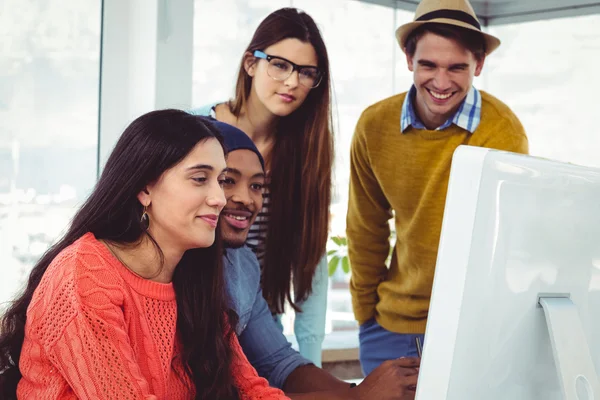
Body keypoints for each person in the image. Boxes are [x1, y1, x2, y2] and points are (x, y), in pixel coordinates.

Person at [0, 110, 288, 400]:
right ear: (144, 188)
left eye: (220, 180)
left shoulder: (193, 278)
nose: (219, 199)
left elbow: (251, 388)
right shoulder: (84, 273)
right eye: (200, 179)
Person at [347, 0, 530, 375]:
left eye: (457, 67)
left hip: (472, 328)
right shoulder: (373, 126)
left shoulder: (502, 132)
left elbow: (506, 243)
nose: (441, 82)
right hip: (390, 327)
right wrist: (366, 317)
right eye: (428, 65)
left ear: (478, 65)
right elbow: (365, 228)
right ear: (408, 58)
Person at [213, 120, 420, 400]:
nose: (247, 199)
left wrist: (364, 391)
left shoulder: (242, 265)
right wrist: (359, 398)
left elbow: (277, 363)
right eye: (228, 180)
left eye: (257, 186)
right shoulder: (161, 272)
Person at [190, 7, 333, 366]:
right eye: (280, 64)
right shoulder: (196, 133)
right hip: (190, 320)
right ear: (250, 64)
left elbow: (310, 262)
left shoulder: (307, 153)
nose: (291, 82)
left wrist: (310, 362)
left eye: (306, 72)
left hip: (257, 330)